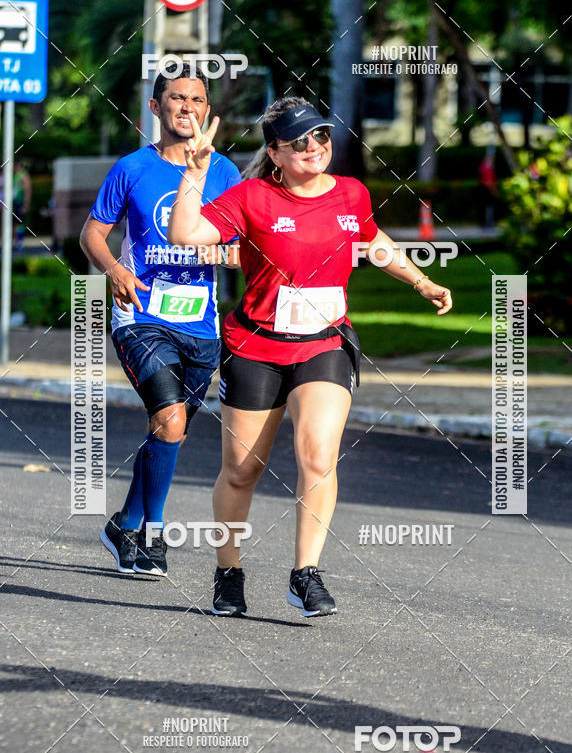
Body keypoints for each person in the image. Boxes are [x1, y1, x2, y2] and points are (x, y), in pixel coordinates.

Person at [168, 96, 452, 617]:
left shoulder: (350, 193)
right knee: (241, 470)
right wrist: (195, 172)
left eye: (320, 135)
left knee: (318, 457)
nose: (314, 146)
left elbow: (372, 239)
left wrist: (420, 280)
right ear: (275, 153)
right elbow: (185, 236)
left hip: (325, 343)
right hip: (255, 347)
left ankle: (305, 574)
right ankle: (228, 572)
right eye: (298, 141)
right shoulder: (252, 197)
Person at [80, 64, 241, 577]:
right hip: (141, 315)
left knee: (170, 431)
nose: (187, 107)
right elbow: (91, 233)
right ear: (156, 107)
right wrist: (113, 270)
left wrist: (226, 254)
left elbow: (241, 245)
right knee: (170, 421)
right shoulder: (132, 168)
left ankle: (123, 524)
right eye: (176, 98)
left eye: (197, 99)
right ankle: (152, 533)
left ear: (207, 110)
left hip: (201, 324)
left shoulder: (224, 173)